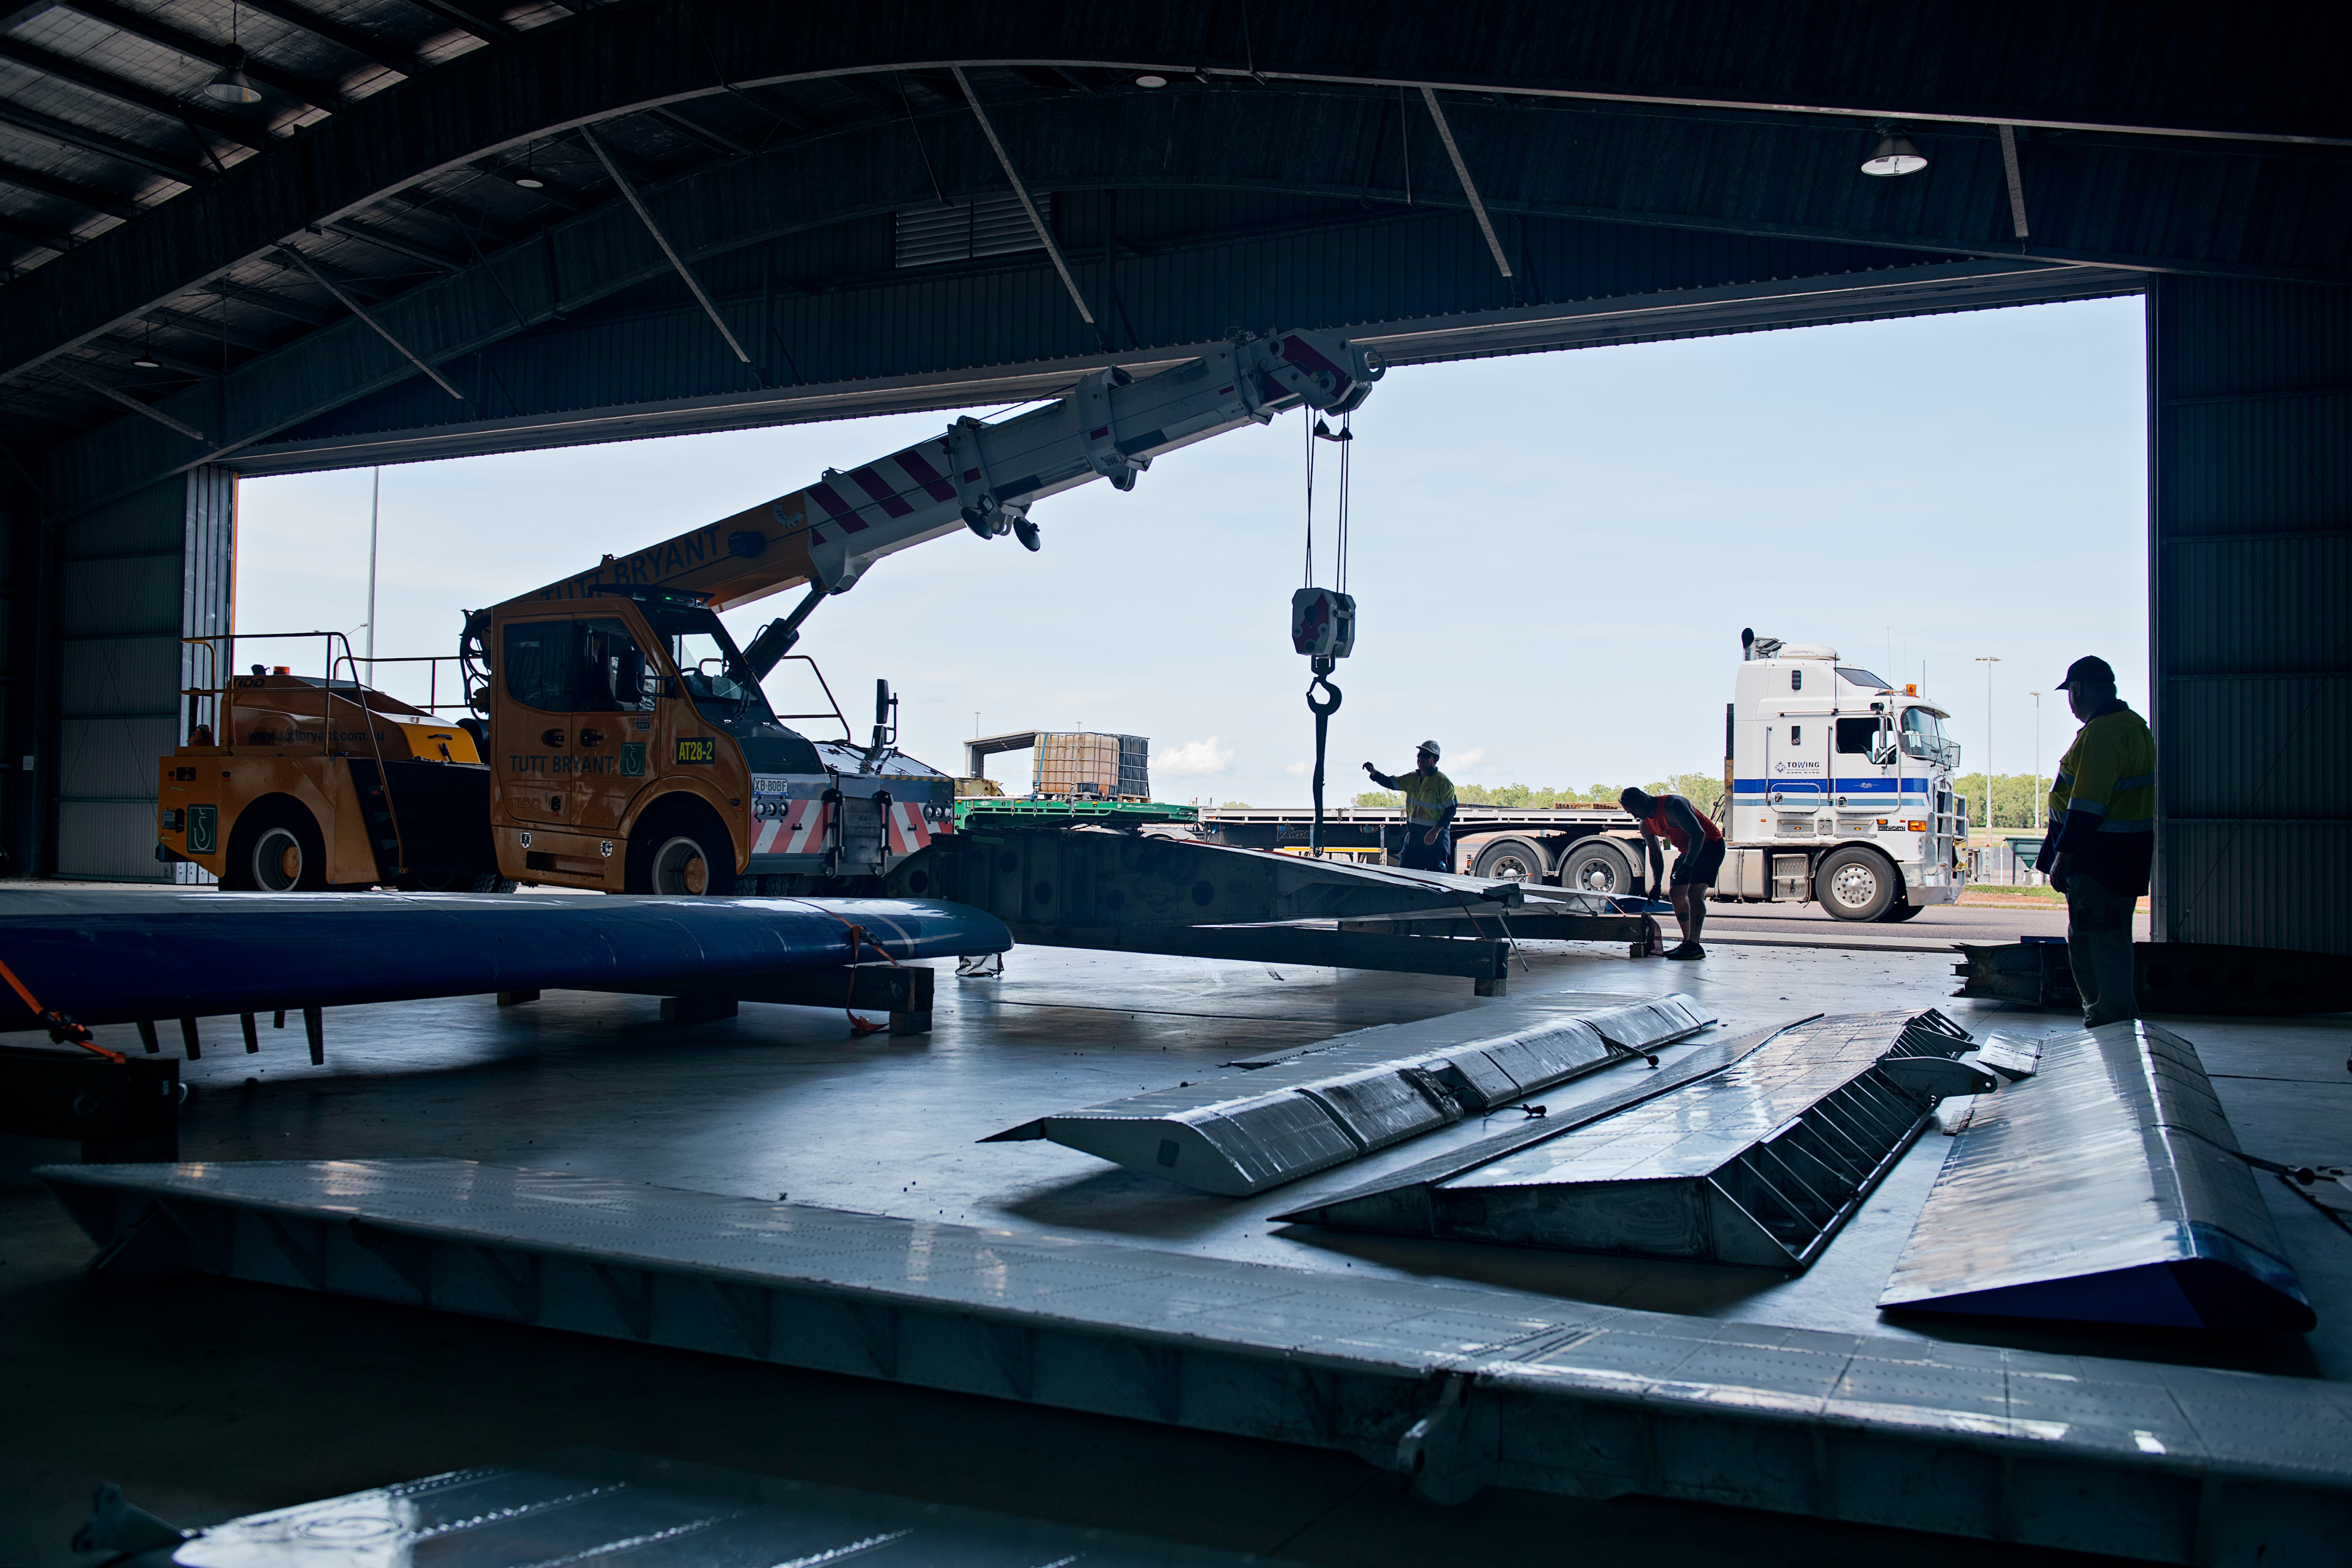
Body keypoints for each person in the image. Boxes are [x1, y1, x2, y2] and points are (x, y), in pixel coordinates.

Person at [2034, 655, 2154, 1027]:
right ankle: (2119, 1015)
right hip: (2125, 859)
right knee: (2114, 943)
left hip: (2097, 862)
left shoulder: (2101, 733)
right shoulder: (2135, 726)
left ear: (2078, 689)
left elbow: (2087, 807)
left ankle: (2107, 1020)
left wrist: (2063, 857)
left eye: (2070, 693)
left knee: (2095, 945)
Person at [1619, 786, 1725, 959]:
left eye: (1635, 811)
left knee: (1694, 893)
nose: (1635, 816)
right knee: (1676, 893)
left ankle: (1694, 945)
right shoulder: (1646, 825)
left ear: (1643, 799)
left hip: (1709, 845)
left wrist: (1689, 864)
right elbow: (1655, 854)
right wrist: (1656, 885)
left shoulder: (1673, 805)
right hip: (1688, 851)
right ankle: (1689, 942)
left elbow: (1698, 834)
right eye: (1630, 813)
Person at [1363, 741, 1456, 872]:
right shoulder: (1412, 778)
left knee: (1437, 883)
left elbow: (1451, 809)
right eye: (1419, 756)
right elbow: (1391, 782)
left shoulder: (1442, 782)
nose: (1420, 759)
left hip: (1435, 843)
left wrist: (1435, 831)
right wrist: (1374, 773)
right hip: (1414, 841)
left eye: (1425, 756)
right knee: (1406, 877)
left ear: (1435, 759)